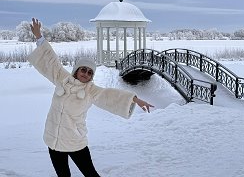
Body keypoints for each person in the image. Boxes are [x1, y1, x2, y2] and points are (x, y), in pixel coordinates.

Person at [27, 18, 154, 177]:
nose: (86, 74)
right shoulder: (62, 78)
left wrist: (135, 99)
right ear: (76, 70)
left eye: (90, 72)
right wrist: (39, 36)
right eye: (83, 70)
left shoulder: (91, 91)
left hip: (75, 142)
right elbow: (51, 61)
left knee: (91, 174)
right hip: (53, 140)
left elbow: (110, 96)